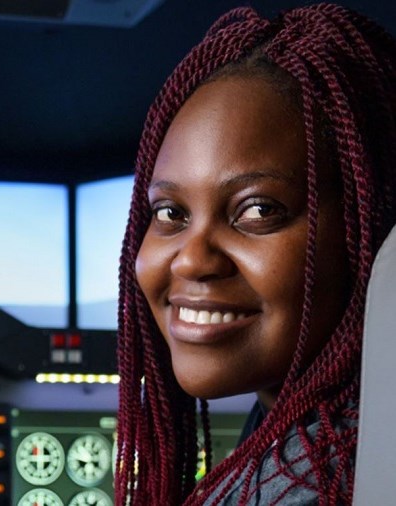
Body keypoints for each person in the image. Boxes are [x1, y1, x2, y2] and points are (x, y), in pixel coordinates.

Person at [115, 3, 396, 505]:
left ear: (369, 225)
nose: (191, 260)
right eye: (170, 213)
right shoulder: (301, 438)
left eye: (258, 209)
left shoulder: (316, 481)